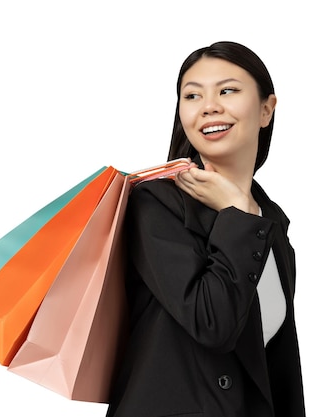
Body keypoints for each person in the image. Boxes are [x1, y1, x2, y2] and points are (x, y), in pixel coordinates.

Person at [106, 41, 306, 417]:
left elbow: (275, 367)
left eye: (227, 90)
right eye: (192, 95)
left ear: (266, 109)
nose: (209, 106)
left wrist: (244, 213)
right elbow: (212, 323)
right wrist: (237, 214)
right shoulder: (154, 204)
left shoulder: (272, 223)